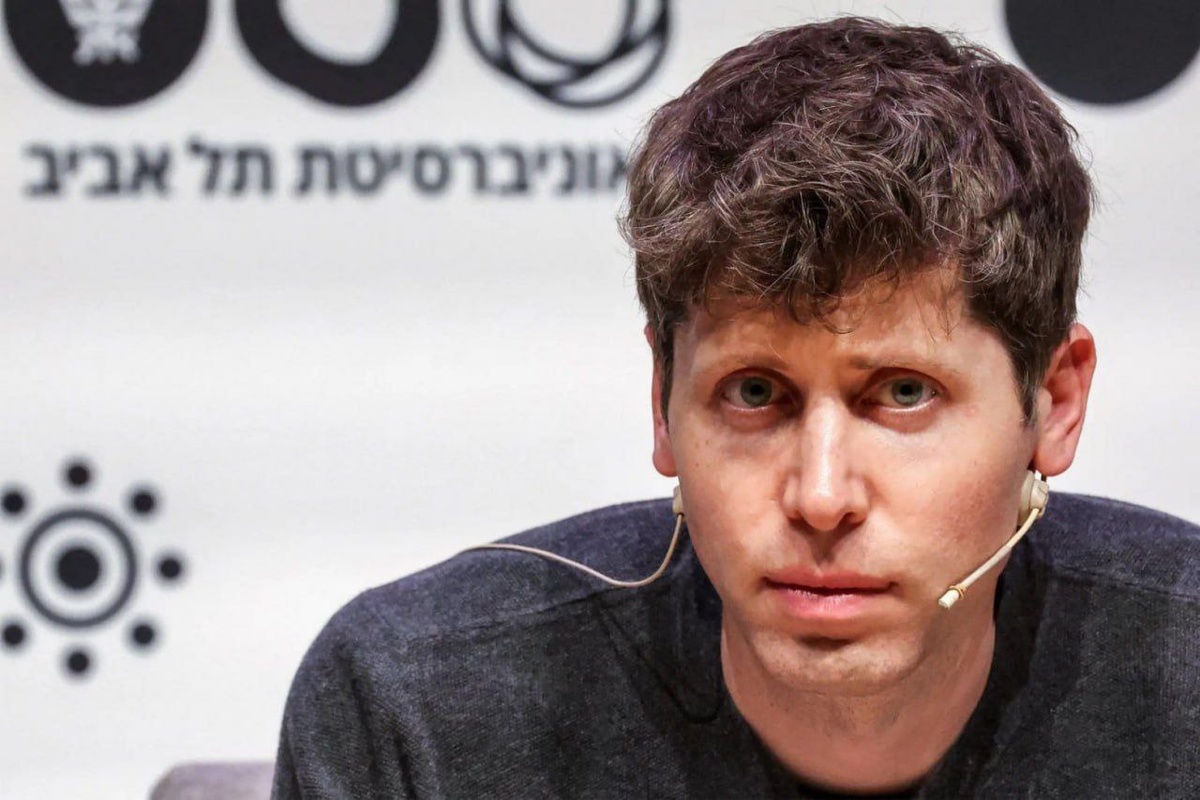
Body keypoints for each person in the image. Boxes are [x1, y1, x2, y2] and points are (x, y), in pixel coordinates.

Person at [271, 17, 1200, 799]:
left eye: (904, 394)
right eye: (755, 393)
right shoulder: (417, 708)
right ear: (663, 405)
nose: (822, 498)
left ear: (1056, 403)